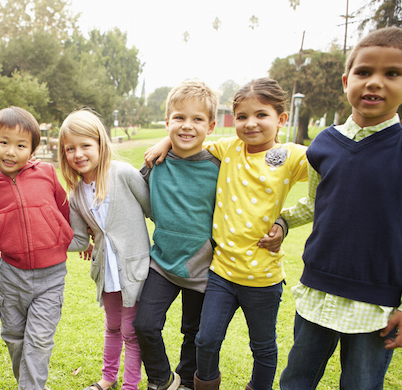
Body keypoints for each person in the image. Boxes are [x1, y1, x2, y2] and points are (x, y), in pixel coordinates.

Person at [146, 78, 303, 390]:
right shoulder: (228, 149)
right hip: (220, 272)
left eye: (261, 115)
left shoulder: (291, 155)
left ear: (281, 119)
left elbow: (330, 174)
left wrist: (286, 221)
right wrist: (166, 141)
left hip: (263, 276)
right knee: (205, 340)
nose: (250, 123)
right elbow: (191, 141)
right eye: (242, 117)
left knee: (262, 346)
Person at [279, 27, 402, 390]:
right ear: (347, 80)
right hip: (317, 290)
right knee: (296, 381)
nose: (375, 83)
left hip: (376, 303)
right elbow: (316, 203)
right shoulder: (325, 144)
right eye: (365, 72)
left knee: (361, 385)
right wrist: (283, 224)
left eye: (392, 73)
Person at [0, 106, 74, 390]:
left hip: (51, 276)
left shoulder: (47, 174)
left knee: (38, 339)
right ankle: (32, 384)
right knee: (14, 338)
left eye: (20, 145)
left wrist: (76, 238)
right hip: (12, 277)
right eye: (3, 142)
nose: (11, 151)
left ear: (32, 150)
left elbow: (65, 211)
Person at [133, 80, 220, 390]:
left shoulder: (219, 167)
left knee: (194, 333)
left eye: (197, 119)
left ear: (210, 126)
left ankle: (186, 381)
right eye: (179, 118)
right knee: (144, 325)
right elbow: (130, 198)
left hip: (204, 268)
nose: (188, 125)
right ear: (167, 121)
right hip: (163, 263)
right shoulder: (154, 163)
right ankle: (161, 380)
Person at [61, 109, 151, 390]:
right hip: (106, 273)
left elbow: (152, 210)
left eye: (85, 145)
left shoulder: (123, 174)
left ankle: (130, 385)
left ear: (100, 143)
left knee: (130, 331)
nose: (78, 154)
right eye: (70, 149)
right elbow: (77, 240)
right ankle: (107, 379)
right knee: (112, 327)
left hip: (134, 269)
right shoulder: (76, 194)